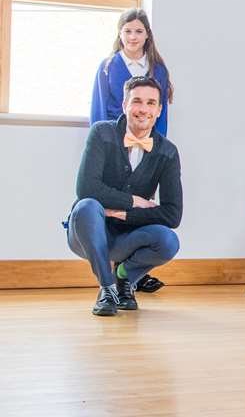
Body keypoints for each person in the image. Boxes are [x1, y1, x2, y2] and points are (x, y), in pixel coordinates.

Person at [67, 76, 182, 316]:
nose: (143, 109)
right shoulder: (102, 133)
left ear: (159, 109)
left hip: (127, 237)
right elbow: (87, 189)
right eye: (137, 101)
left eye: (151, 103)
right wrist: (134, 201)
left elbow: (172, 214)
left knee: (168, 240)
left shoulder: (168, 152)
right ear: (125, 105)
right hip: (87, 230)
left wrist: (124, 213)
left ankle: (123, 280)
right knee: (88, 206)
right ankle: (107, 289)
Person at [90, 8, 173, 293]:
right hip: (115, 145)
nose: (133, 36)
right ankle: (110, 277)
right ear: (120, 34)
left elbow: (161, 116)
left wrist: (157, 150)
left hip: (146, 145)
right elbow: (99, 112)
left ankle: (133, 271)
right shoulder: (109, 66)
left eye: (139, 31)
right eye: (128, 31)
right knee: (112, 204)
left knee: (142, 206)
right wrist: (104, 145)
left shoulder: (157, 69)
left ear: (147, 35)